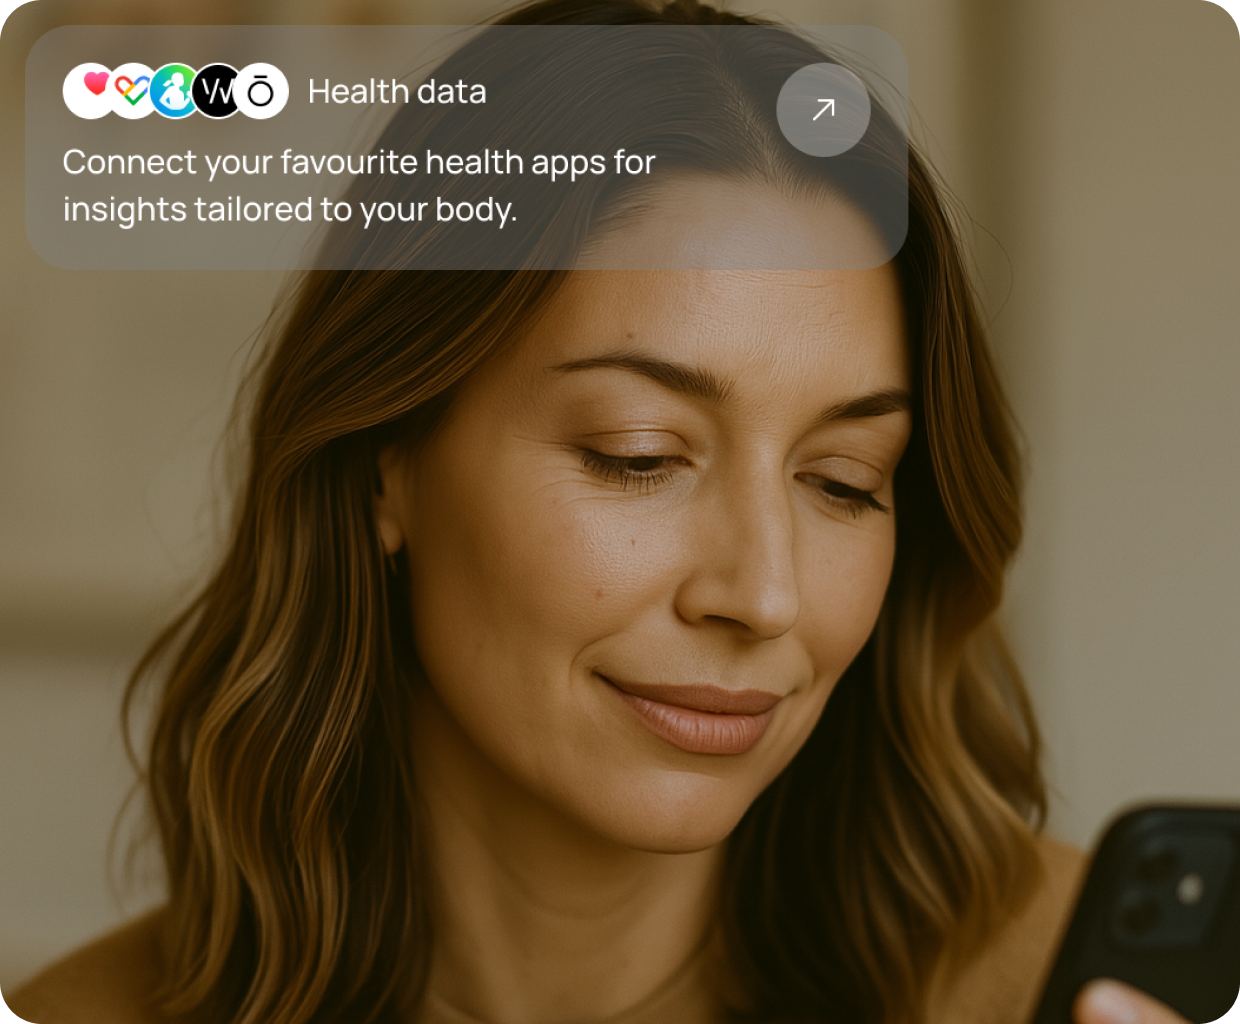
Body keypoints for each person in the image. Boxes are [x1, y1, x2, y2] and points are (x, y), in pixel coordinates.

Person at [4, 2, 1201, 1023]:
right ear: (384, 465)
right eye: (638, 457)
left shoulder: (1065, 982)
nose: (763, 593)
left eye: (844, 482)